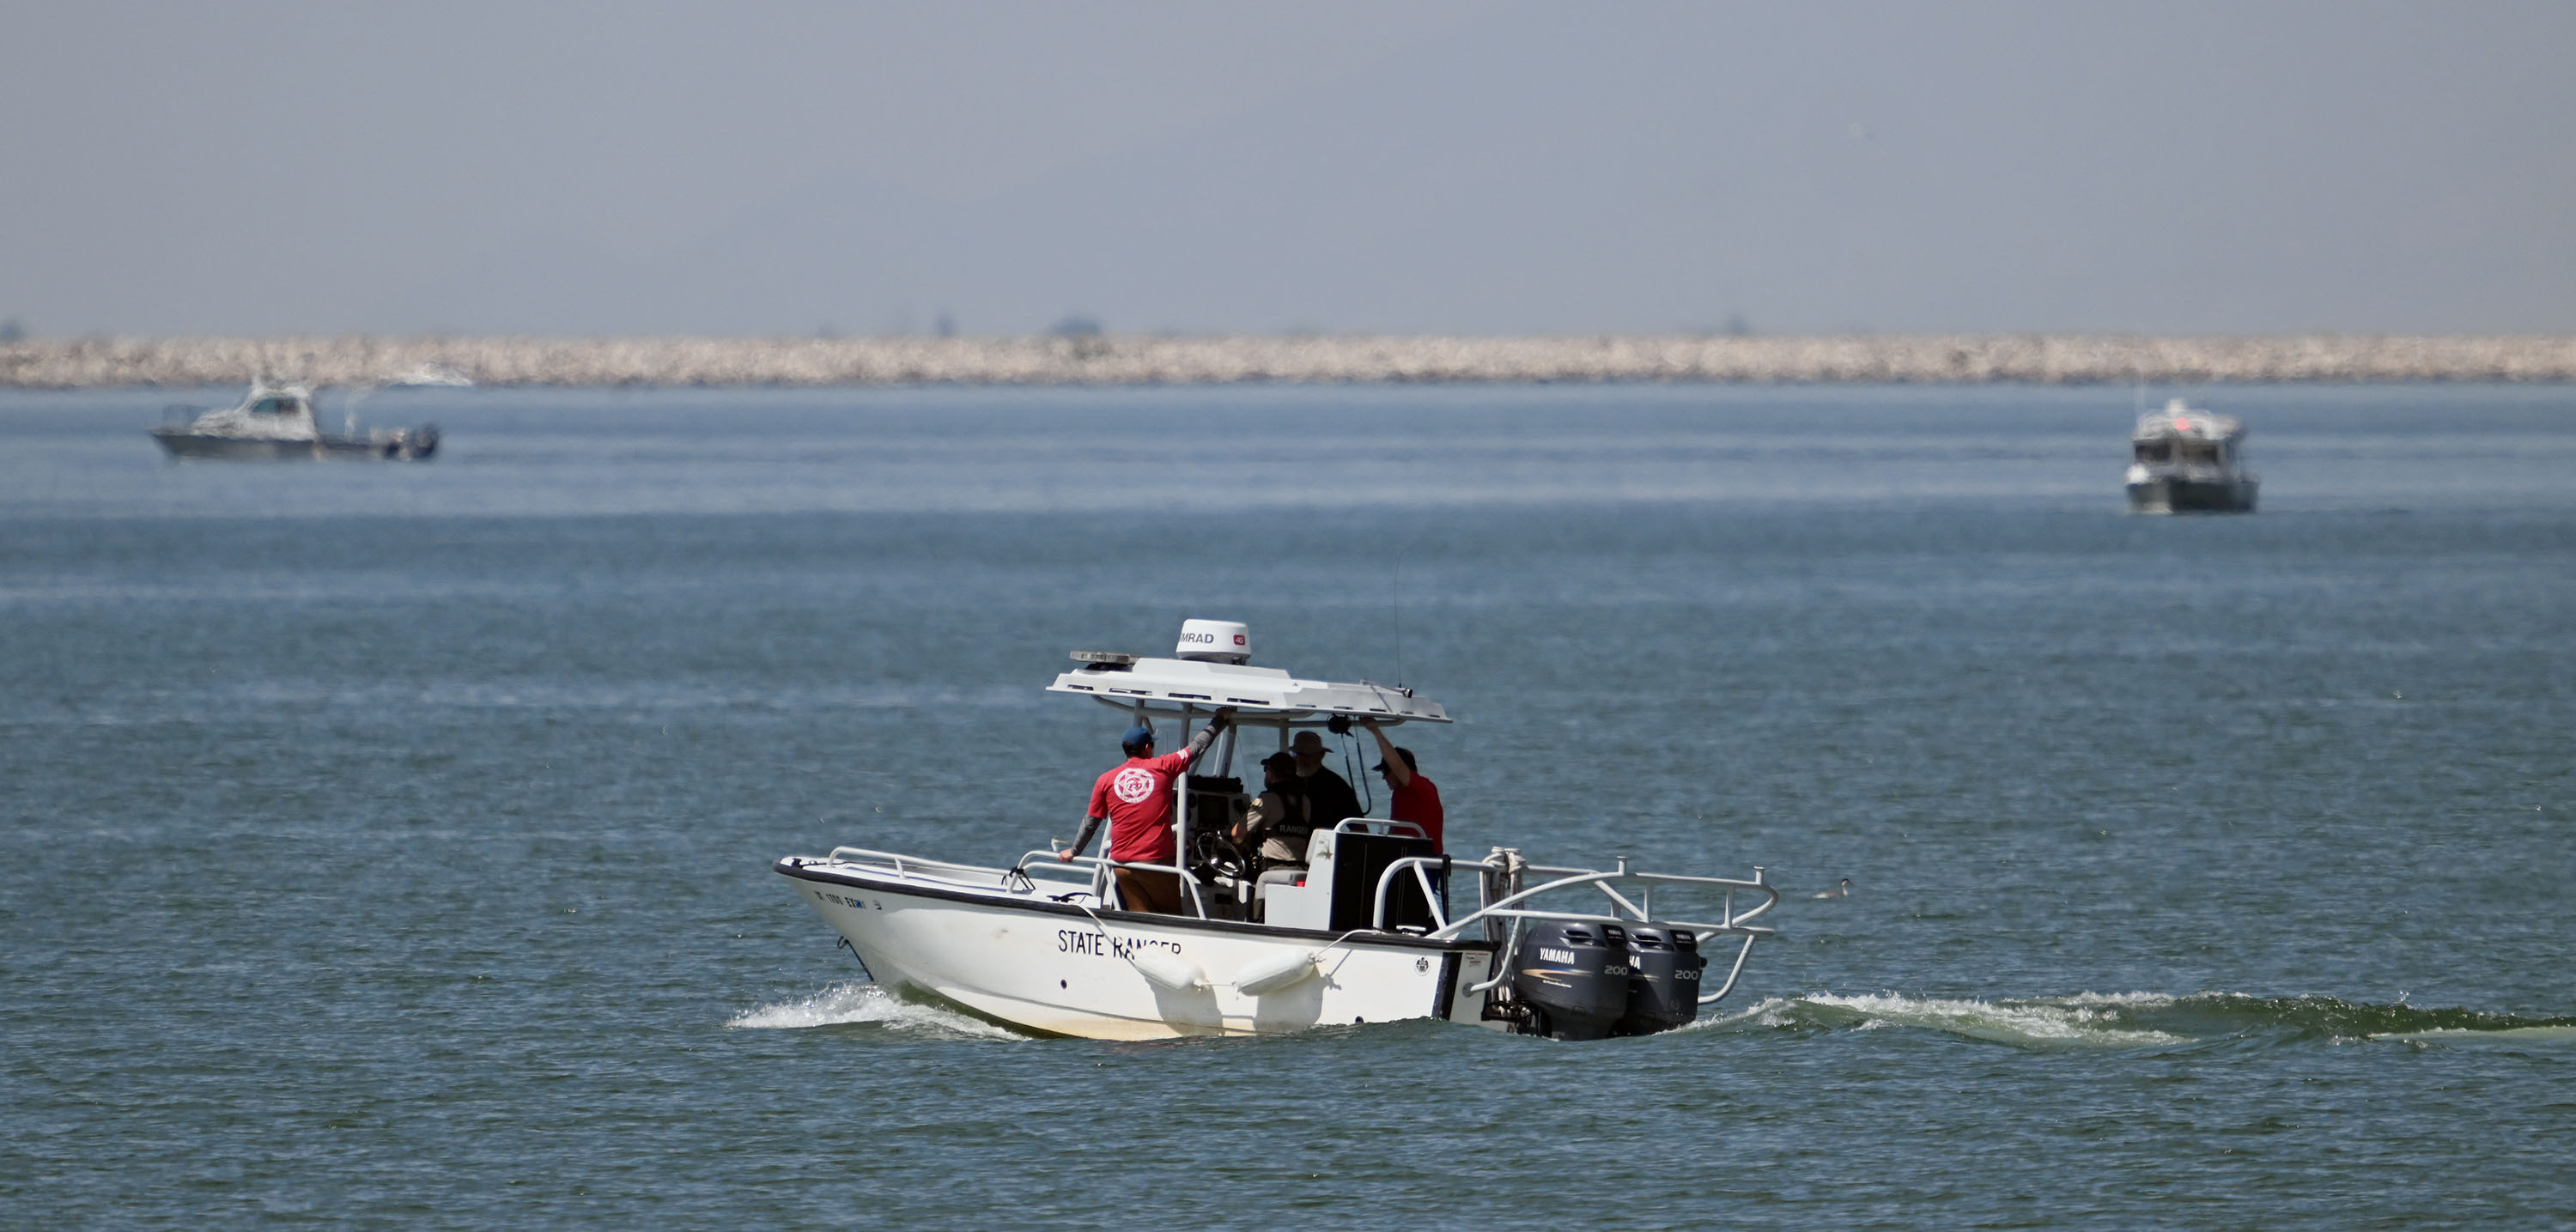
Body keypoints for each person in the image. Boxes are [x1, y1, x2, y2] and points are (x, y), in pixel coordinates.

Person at [1057, 707, 1233, 914]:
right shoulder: (1164, 766)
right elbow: (1198, 745)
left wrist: (1074, 851)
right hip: (1156, 865)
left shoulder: (1105, 780)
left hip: (1122, 866)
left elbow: (1091, 822)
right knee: (1172, 919)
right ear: (1148, 748)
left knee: (1140, 916)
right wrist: (1220, 719)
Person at [1360, 718, 1443, 853]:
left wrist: (1375, 731)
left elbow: (1398, 766)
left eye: (1386, 771)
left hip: (1425, 860)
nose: (1383, 777)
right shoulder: (1398, 793)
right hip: (1402, 856)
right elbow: (1393, 830)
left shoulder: (1424, 787)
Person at [1233, 751, 1316, 869]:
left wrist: (1242, 845)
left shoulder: (1266, 800)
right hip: (1301, 869)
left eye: (1266, 769)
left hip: (1273, 869)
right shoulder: (1305, 801)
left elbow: (1237, 833)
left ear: (1271, 774)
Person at [1288, 728, 1363, 834]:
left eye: (1306, 755)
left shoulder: (1337, 786)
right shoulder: (1286, 782)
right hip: (1288, 841)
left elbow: (1359, 828)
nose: (1300, 759)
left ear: (1321, 755)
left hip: (1323, 842)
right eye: (1296, 754)